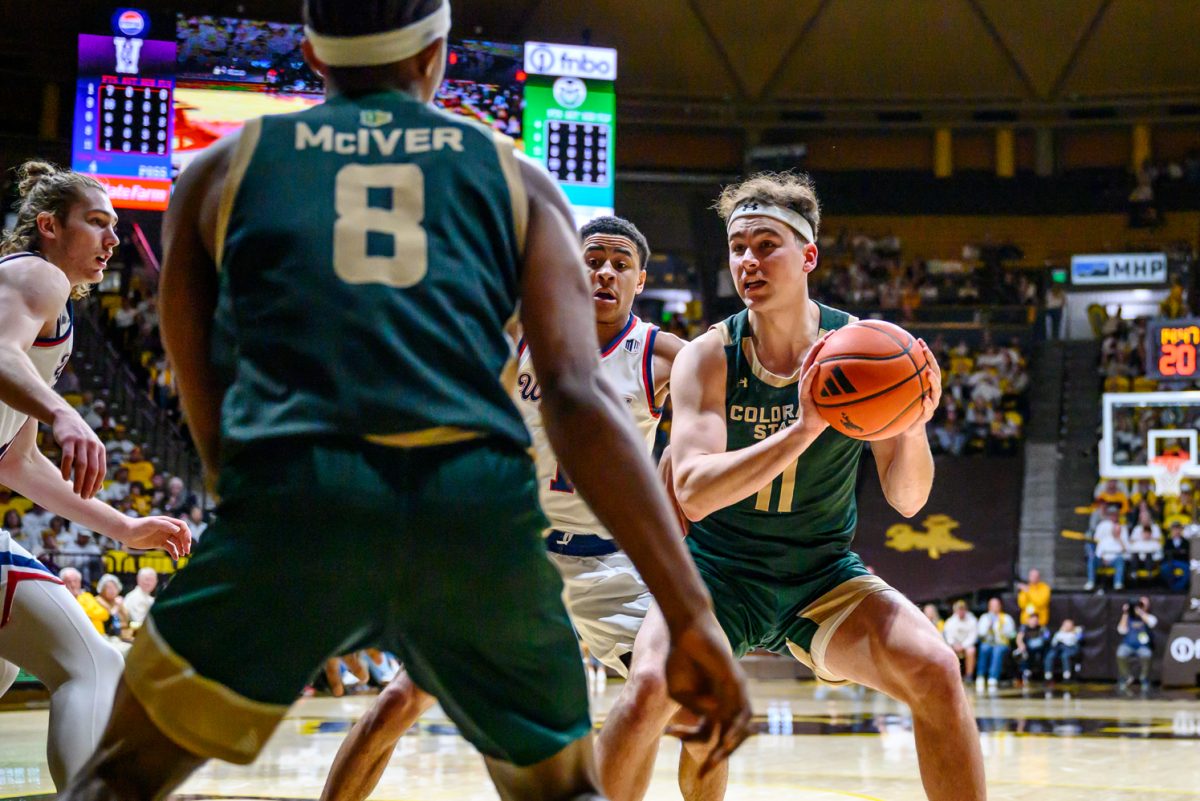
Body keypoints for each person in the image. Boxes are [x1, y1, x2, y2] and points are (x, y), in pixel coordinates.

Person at [63, 5, 750, 800]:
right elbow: (576, 399)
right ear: (437, 55)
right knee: (565, 791)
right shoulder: (517, 177)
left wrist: (265, 513)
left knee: (115, 779)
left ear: (314, 54)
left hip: (298, 502)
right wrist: (689, 608)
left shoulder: (217, 171)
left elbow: (205, 391)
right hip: (475, 519)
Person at [595, 172, 986, 801]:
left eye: (766, 244)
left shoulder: (863, 348)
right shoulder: (708, 355)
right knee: (648, 693)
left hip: (822, 575)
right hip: (714, 575)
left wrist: (910, 424)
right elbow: (692, 490)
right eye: (738, 246)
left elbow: (909, 499)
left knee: (938, 670)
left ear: (808, 255)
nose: (748, 259)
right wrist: (804, 429)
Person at [318, 215, 688, 801]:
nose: (605, 272)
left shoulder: (667, 356)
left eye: (621, 264)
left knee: (678, 699)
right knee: (400, 698)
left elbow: (715, 427)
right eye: (593, 259)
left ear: (641, 280)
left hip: (610, 562)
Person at [0, 160, 191, 789]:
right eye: (98, 222)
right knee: (93, 666)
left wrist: (124, 526)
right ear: (49, 226)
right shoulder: (35, 275)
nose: (113, 240)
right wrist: (64, 413)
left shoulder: (48, 313)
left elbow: (18, 462)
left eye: (116, 226)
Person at [1116, 596, 1158, 690]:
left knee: (1147, 654)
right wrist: (1125, 613)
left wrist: (1141, 613)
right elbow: (1121, 630)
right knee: (1120, 653)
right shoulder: (1128, 617)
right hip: (1128, 645)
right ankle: (1127, 677)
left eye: (1142, 605)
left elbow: (1153, 623)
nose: (1139, 607)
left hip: (1142, 646)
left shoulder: (1148, 616)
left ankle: (1144, 678)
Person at [976, 597, 1016, 690]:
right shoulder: (984, 618)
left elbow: (1012, 634)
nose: (994, 608)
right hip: (988, 643)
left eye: (996, 605)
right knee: (984, 648)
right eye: (992, 606)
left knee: (997, 651)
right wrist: (988, 626)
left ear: (1000, 606)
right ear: (989, 607)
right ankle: (980, 675)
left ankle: (993, 677)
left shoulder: (1006, 618)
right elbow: (980, 634)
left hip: (1001, 643)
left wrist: (1003, 627)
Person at [1087, 504, 1128, 591]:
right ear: (1109, 515)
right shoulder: (1103, 528)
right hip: (1102, 558)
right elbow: (1097, 543)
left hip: (1116, 558)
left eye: (1115, 514)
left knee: (1120, 559)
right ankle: (1091, 582)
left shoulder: (1123, 527)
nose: (1114, 516)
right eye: (1112, 514)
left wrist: (1118, 538)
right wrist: (1102, 558)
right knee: (1092, 558)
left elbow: (1126, 549)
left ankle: (1118, 583)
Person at [942, 600, 978, 680]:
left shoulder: (972, 620)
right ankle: (952, 676)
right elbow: (948, 636)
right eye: (959, 609)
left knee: (971, 651)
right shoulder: (950, 621)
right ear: (956, 610)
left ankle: (969, 675)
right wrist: (954, 644)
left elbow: (973, 636)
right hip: (954, 645)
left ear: (966, 610)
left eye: (963, 609)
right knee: (947, 651)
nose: (961, 611)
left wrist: (964, 646)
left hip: (967, 645)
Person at [1013, 611, 1048, 682]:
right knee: (1020, 653)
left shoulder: (1041, 628)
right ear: (1028, 620)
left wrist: (1044, 637)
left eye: (1036, 620)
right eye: (1032, 619)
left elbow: (1047, 637)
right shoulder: (1024, 627)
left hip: (1039, 649)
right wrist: (1021, 645)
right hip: (1027, 649)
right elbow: (1019, 638)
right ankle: (1024, 672)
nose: (1034, 622)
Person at [1162, 521, 1191, 592]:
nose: (1176, 531)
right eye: (1174, 529)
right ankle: (1171, 587)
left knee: (1187, 570)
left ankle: (1178, 588)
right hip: (1170, 561)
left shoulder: (1186, 542)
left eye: (1178, 529)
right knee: (1165, 569)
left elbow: (1187, 553)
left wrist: (1174, 552)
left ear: (1181, 530)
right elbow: (1166, 552)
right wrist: (1179, 552)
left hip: (1182, 562)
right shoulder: (1168, 541)